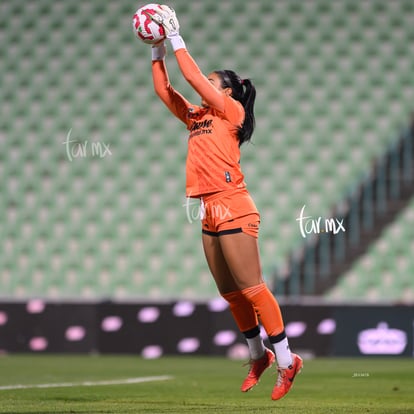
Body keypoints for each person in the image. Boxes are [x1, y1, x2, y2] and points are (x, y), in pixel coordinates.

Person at [147, 5, 302, 400]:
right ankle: (258, 356)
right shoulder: (198, 117)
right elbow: (165, 91)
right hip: (208, 209)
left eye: (215, 83)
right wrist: (156, 49)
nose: (207, 87)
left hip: (233, 203)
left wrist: (177, 36)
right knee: (230, 293)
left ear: (227, 91)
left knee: (252, 288)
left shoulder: (229, 111)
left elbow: (193, 78)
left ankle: (287, 360)